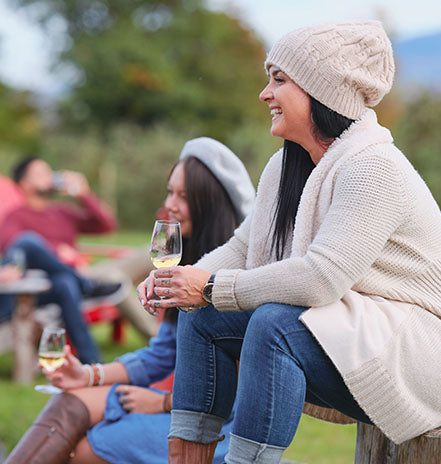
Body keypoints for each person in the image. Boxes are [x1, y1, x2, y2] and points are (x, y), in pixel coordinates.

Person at [137, 21, 441, 464]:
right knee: (201, 318)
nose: (265, 93)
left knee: (274, 324)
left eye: (279, 79)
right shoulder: (286, 168)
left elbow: (320, 278)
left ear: (322, 92)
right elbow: (243, 247)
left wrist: (208, 286)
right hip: (354, 335)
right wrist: (181, 281)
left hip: (417, 354)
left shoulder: (375, 169)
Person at [5, 137, 255, 464]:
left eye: (183, 196)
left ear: (211, 203)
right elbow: (161, 354)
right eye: (169, 192)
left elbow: (246, 385)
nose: (171, 204)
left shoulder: (235, 278)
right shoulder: (186, 264)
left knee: (83, 449)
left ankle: (88, 284)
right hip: (175, 400)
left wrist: (164, 402)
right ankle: (87, 285)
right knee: (69, 401)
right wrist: (88, 375)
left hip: (216, 422)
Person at [0, 157, 124, 363]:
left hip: (56, 282)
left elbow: (107, 225)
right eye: (41, 173)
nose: (50, 177)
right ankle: (85, 284)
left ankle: (92, 366)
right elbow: (12, 249)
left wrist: (84, 195)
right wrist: (58, 253)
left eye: (50, 172)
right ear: (25, 183)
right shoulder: (15, 216)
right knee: (28, 241)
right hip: (23, 289)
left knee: (66, 283)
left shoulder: (61, 211)